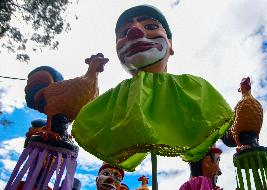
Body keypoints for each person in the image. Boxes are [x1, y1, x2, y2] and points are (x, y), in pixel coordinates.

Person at [72, 5, 233, 171]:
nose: (133, 32)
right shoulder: (110, 104)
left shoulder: (196, 89)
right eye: (123, 33)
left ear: (170, 44)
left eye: (150, 26)